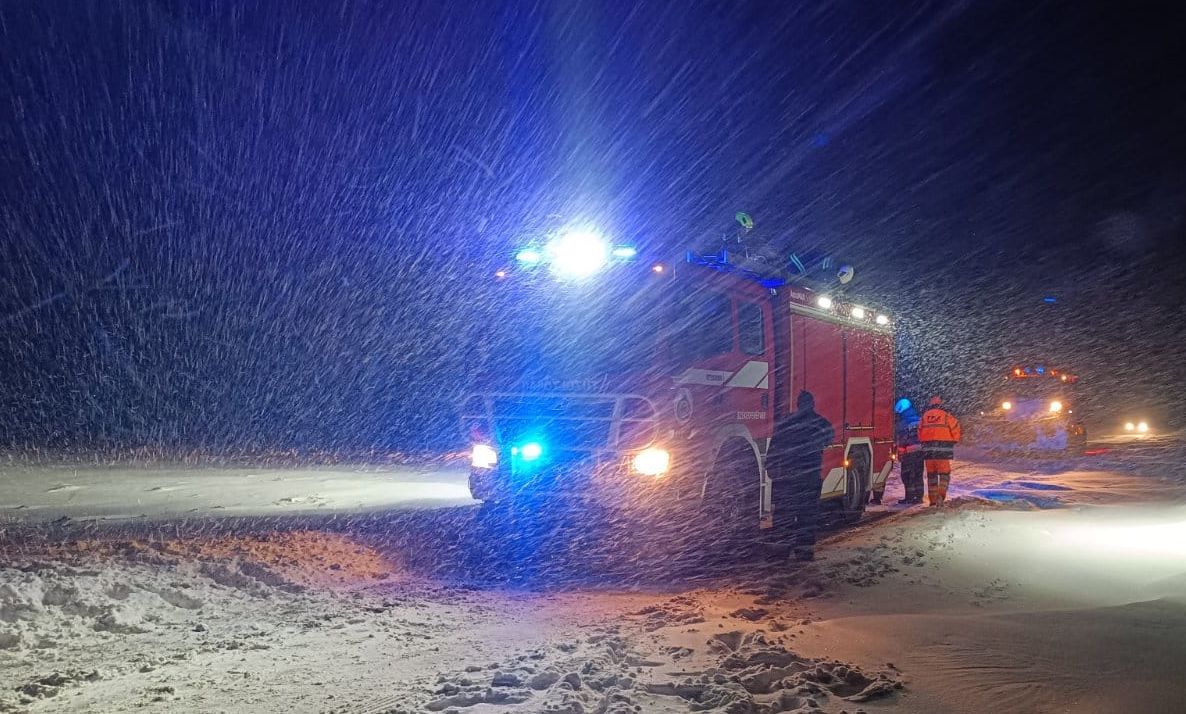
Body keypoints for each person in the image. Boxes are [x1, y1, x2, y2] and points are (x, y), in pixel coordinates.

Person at [767, 390, 835, 560]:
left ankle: (780, 554)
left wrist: (771, 468)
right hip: (809, 479)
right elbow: (829, 437)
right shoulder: (819, 423)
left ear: (798, 404)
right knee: (807, 518)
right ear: (812, 404)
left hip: (787, 479)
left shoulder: (787, 423)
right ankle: (804, 553)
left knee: (784, 517)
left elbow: (774, 448)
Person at [918, 395, 961, 506]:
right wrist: (954, 440)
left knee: (931, 475)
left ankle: (932, 500)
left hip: (928, 450)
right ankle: (941, 496)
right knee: (944, 474)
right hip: (943, 450)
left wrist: (925, 442)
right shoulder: (946, 415)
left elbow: (919, 431)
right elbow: (955, 428)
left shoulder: (925, 416)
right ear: (940, 404)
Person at [894, 398, 924, 504]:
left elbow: (902, 440)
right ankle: (919, 497)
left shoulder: (903, 423)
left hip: (909, 452)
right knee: (918, 474)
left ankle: (909, 497)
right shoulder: (919, 419)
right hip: (920, 451)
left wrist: (901, 454)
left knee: (907, 475)